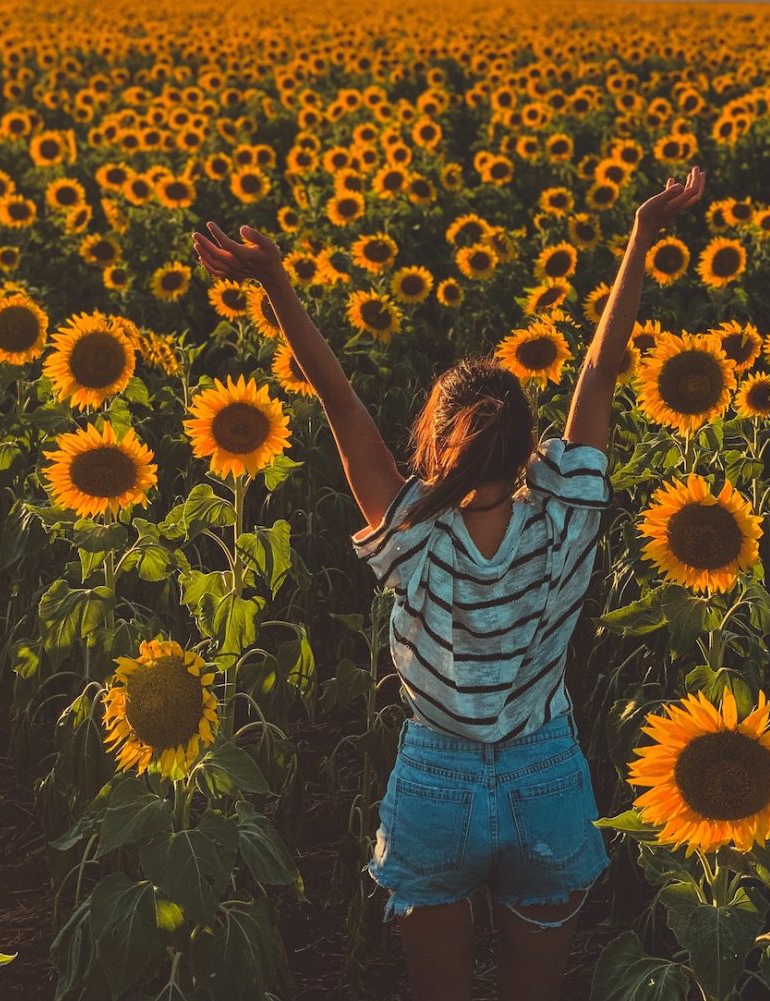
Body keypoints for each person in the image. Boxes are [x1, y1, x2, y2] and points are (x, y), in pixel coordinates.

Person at [191, 164, 705, 1001]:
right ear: (527, 448)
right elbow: (602, 373)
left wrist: (275, 279)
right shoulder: (565, 518)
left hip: (436, 778)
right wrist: (642, 234)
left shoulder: (414, 535)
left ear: (436, 444)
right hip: (546, 778)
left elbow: (339, 402)